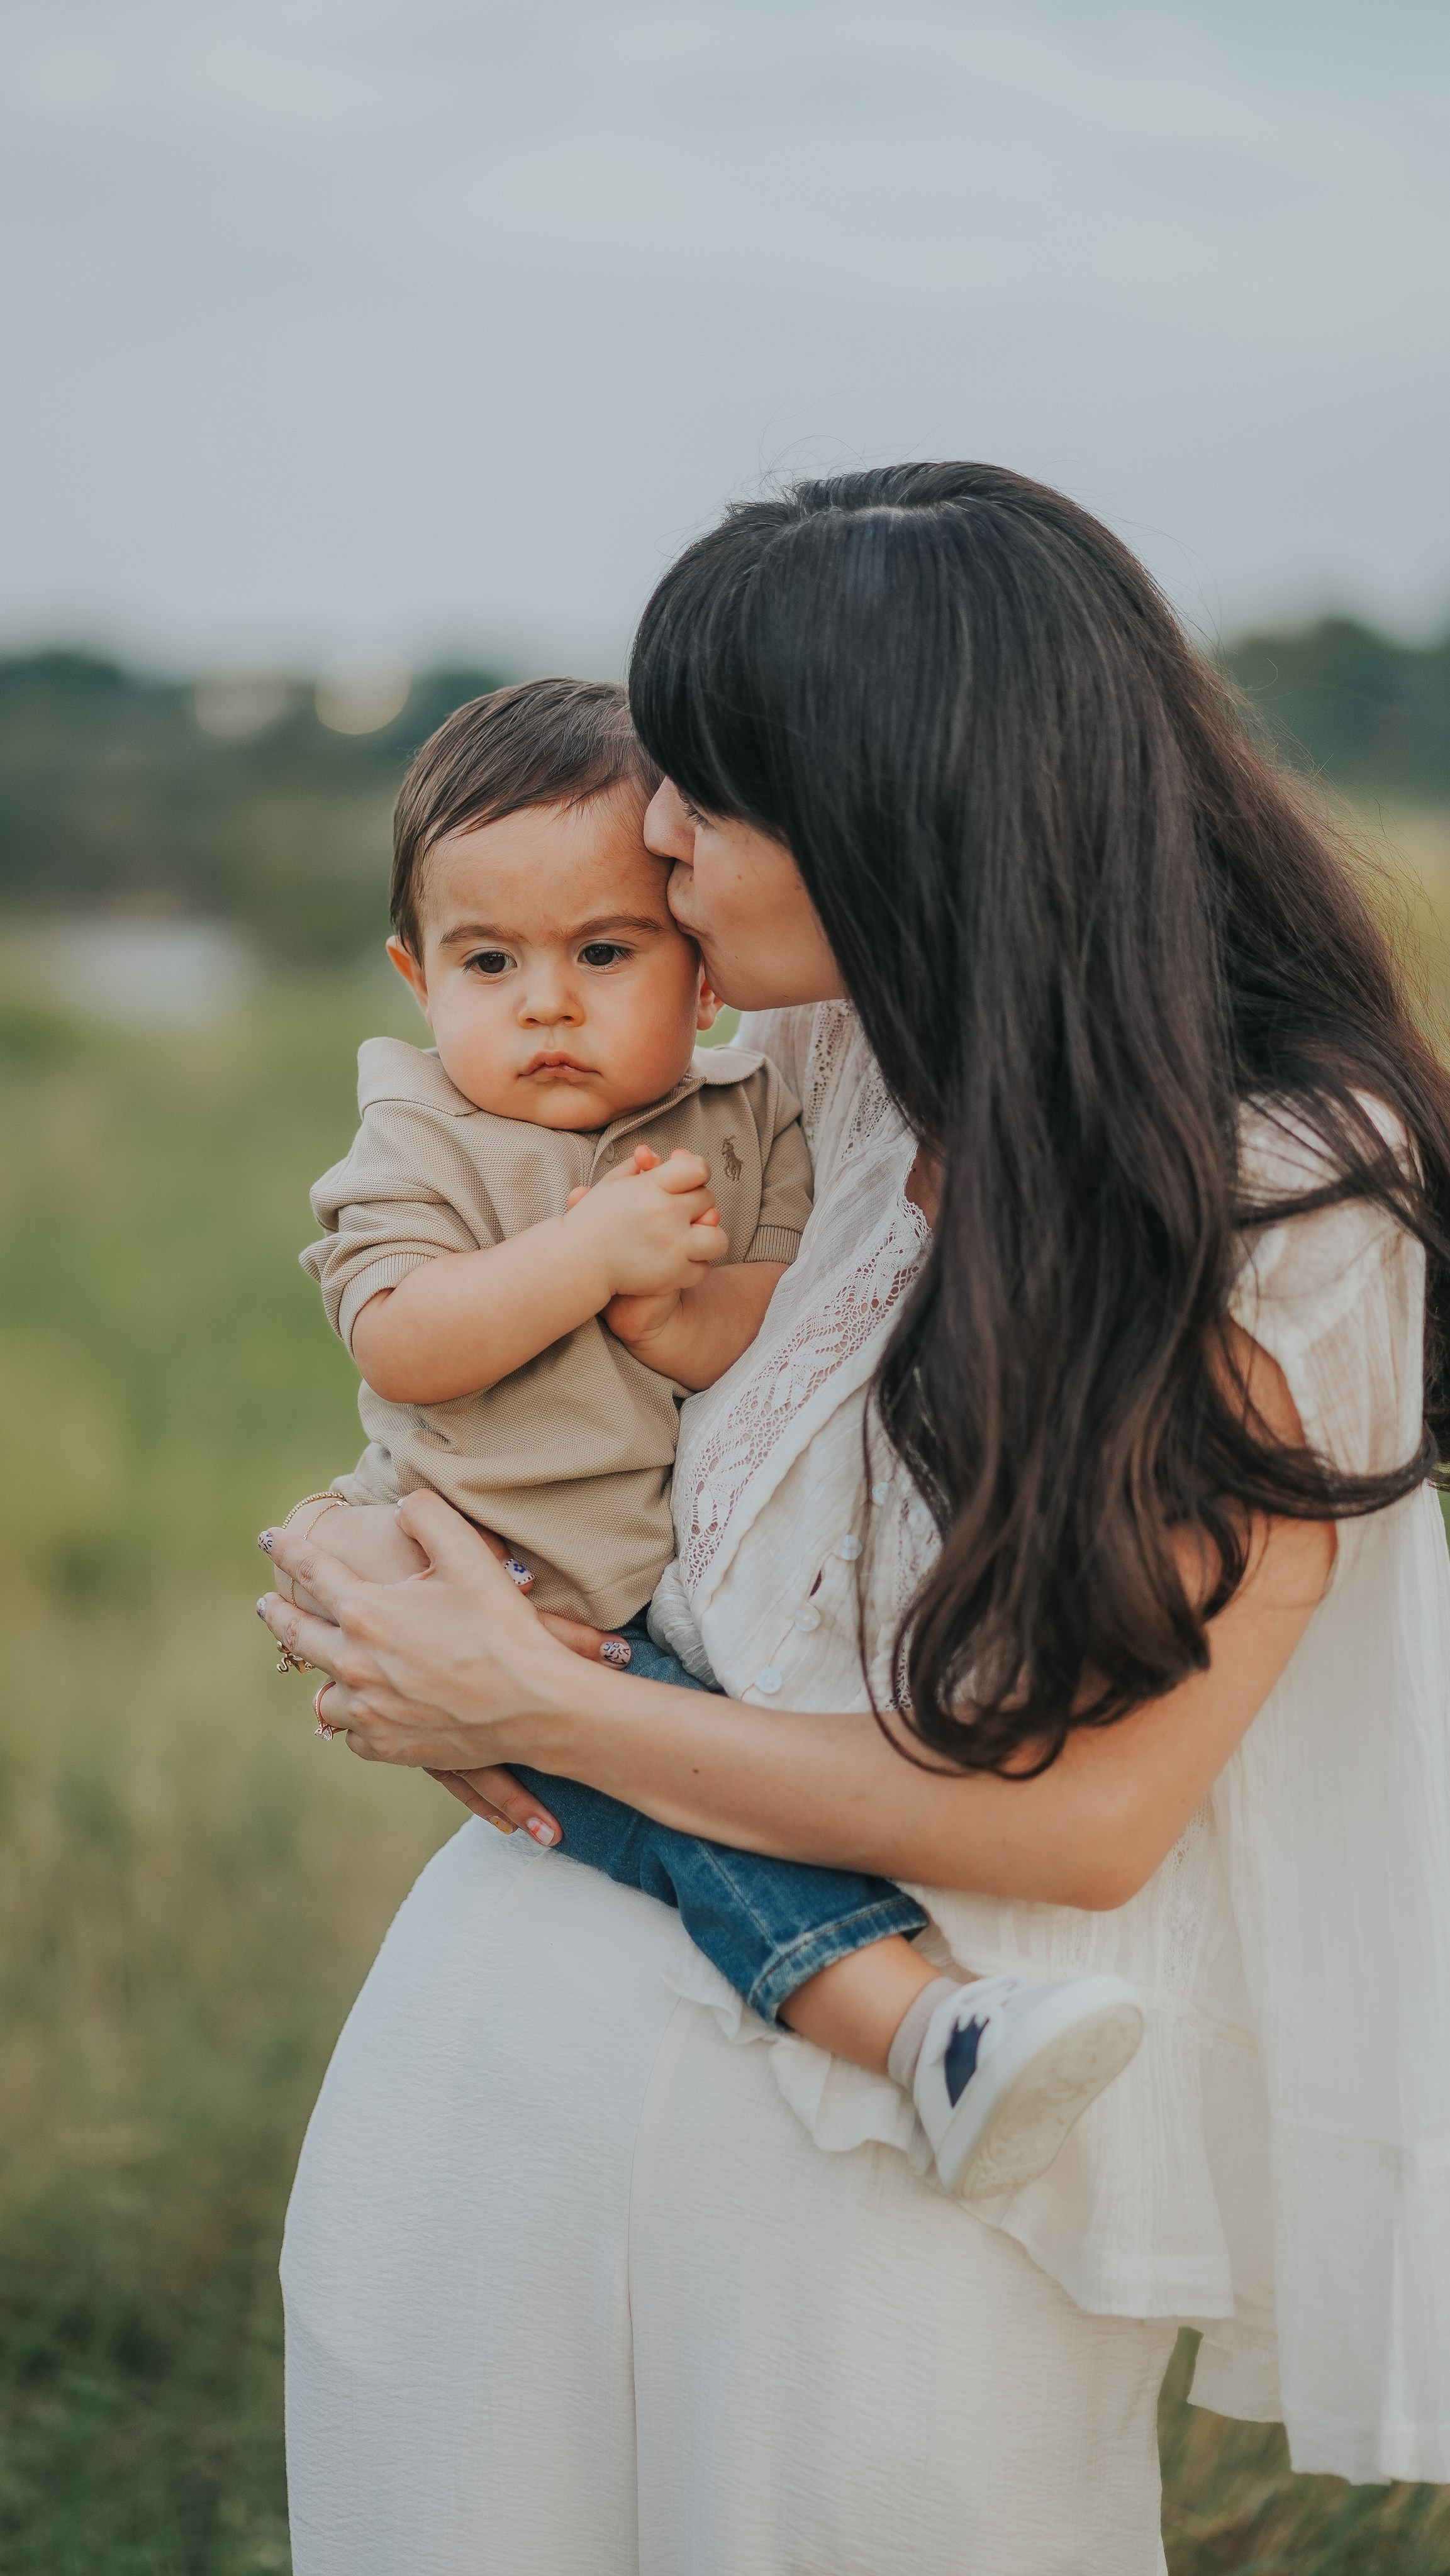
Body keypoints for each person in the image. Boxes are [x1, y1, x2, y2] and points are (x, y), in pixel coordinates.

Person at [260, 464, 1450, 2575]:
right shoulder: (825, 1066)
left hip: (901, 2155)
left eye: (706, 795)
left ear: (891, 802)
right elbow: (490, 1351)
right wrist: (364, 1560)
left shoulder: (1282, 1195)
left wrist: (534, 1699)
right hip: (493, 2048)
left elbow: (1088, 1818)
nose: (655, 837)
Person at [286, 671, 1143, 2205]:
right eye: (489, 960)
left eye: (604, 952)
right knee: (704, 1842)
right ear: (417, 975)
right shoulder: (425, 1127)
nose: (546, 1002)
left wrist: (682, 1303)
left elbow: (789, 1317)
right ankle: (923, 2034)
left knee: (686, 1801)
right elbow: (399, 1333)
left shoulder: (747, 1113)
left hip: (636, 1593)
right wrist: (585, 1254)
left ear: (700, 982)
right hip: (485, 1566)